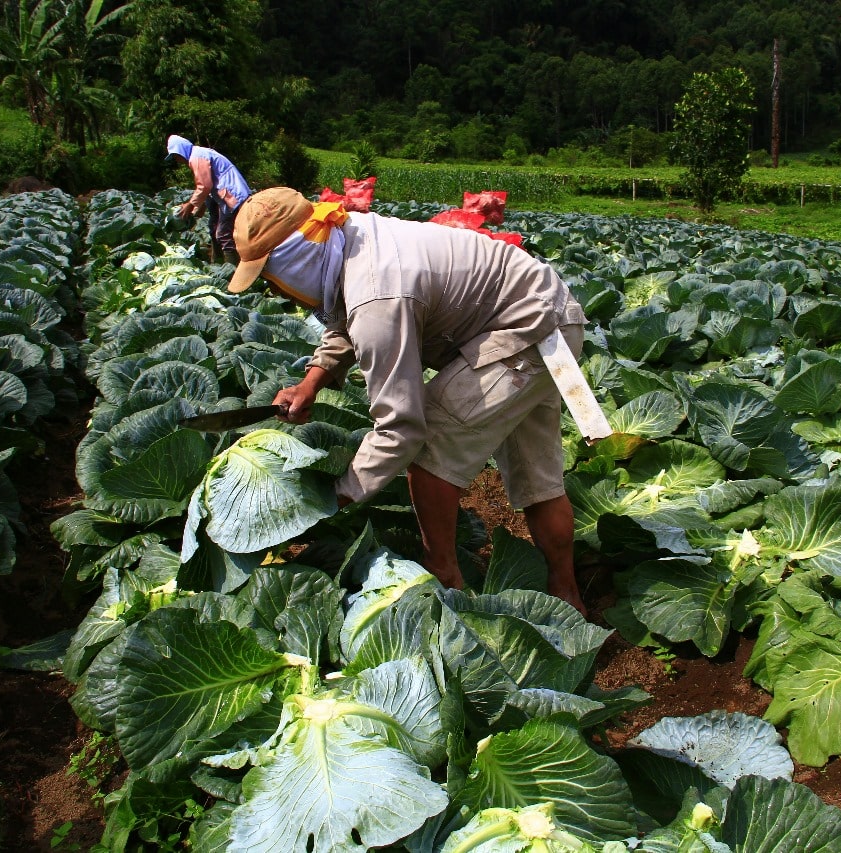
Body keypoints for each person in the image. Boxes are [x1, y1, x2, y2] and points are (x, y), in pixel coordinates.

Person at [226, 187, 589, 613]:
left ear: (295, 260)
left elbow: (401, 428)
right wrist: (312, 381)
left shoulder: (377, 295)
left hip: (525, 328)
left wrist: (329, 502)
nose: (275, 289)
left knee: (430, 446)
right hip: (548, 314)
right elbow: (348, 310)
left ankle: (444, 574)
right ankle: (568, 597)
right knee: (536, 476)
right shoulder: (347, 235)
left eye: (271, 275)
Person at [165, 134, 254, 263]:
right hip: (225, 195)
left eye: (176, 156)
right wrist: (197, 210)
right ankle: (219, 262)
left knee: (223, 233)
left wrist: (190, 205)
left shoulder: (196, 157)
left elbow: (205, 186)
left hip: (232, 195)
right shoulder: (199, 154)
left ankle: (233, 270)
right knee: (215, 227)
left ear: (181, 150)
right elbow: (209, 188)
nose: (177, 160)